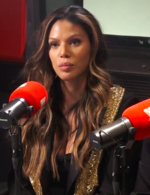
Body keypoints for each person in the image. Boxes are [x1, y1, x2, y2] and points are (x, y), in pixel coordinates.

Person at [7, 5, 143, 195]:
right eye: (54, 44)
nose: (63, 52)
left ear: (93, 47)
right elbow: (18, 184)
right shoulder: (34, 103)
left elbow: (116, 186)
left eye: (75, 42)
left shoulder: (121, 107)